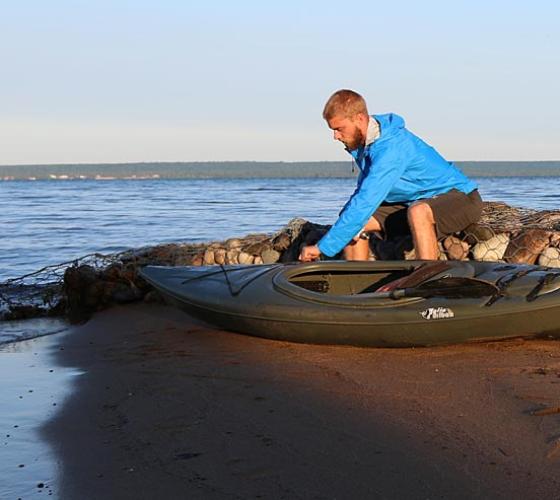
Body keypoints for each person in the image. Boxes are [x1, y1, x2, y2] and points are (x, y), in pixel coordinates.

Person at [299, 89, 482, 262]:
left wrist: (322, 248)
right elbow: (361, 198)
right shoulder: (367, 144)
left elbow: (367, 199)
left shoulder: (391, 148)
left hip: (461, 198)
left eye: (339, 128)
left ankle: (428, 277)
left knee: (418, 211)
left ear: (359, 118)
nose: (335, 136)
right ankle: (355, 282)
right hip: (414, 200)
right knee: (357, 220)